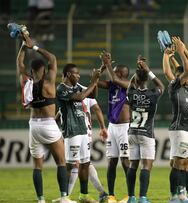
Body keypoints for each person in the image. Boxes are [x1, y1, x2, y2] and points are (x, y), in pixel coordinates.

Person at [17, 31, 73, 203]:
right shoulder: (49, 81)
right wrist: (33, 45)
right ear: (43, 69)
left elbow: (19, 63)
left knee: (37, 166)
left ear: (32, 70)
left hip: (33, 125)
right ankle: (64, 197)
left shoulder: (26, 80)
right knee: (62, 162)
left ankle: (40, 199)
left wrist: (23, 45)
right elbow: (53, 59)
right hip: (49, 124)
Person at [57, 63, 101, 203]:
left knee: (85, 163)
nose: (79, 75)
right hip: (71, 130)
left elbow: (92, 94)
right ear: (69, 74)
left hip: (82, 130)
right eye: (76, 73)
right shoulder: (61, 88)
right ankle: (65, 196)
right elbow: (80, 97)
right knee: (70, 165)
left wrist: (96, 80)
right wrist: (93, 82)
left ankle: (84, 195)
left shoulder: (77, 86)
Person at [125, 55, 165, 203]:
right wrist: (148, 71)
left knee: (133, 165)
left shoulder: (132, 93)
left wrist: (137, 71)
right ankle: (142, 197)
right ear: (147, 78)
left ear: (135, 80)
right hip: (146, 133)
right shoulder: (153, 94)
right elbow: (162, 86)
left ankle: (131, 197)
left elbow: (130, 85)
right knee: (146, 165)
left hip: (132, 132)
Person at [162, 36, 188, 203]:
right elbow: (173, 72)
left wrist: (179, 52)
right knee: (178, 164)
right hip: (180, 129)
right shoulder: (176, 85)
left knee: (186, 163)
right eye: (184, 76)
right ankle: (175, 196)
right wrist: (177, 53)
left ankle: (186, 195)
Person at [97, 52, 131, 203]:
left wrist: (109, 64)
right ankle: (111, 195)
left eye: (115, 71)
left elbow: (115, 79)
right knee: (112, 162)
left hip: (125, 128)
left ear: (122, 74)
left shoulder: (129, 85)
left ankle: (131, 195)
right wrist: (103, 67)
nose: (113, 74)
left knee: (125, 161)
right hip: (112, 127)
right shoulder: (112, 85)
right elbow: (95, 81)